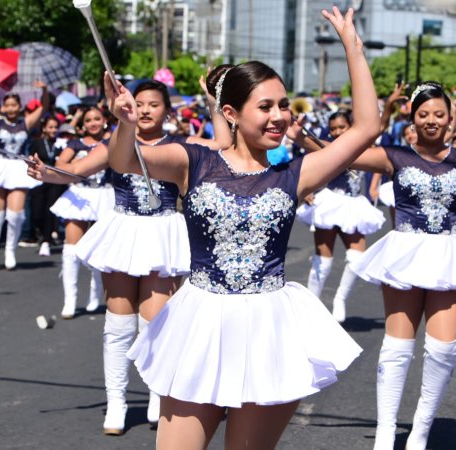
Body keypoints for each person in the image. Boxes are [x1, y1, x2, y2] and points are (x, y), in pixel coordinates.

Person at [106, 7, 375, 449]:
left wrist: (353, 47)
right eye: (265, 106)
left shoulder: (295, 173)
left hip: (268, 329)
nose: (279, 116)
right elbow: (124, 160)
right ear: (230, 112)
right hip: (200, 326)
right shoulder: (194, 160)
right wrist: (124, 122)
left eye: (284, 105)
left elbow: (367, 127)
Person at [28, 77, 230, 435]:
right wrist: (46, 173)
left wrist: (213, 103)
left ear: (167, 110)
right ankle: (117, 403)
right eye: (141, 103)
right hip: (124, 231)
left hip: (164, 233)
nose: (148, 109)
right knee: (118, 325)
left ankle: (156, 394)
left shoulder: (181, 145)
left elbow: (224, 145)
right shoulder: (116, 143)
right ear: (130, 107)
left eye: (155, 103)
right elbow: (75, 171)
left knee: (155, 324)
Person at [349, 81, 456, 449]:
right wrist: (303, 139)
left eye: (439, 115)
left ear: (451, 119)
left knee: (443, 348)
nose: (431, 120)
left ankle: (420, 432)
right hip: (405, 252)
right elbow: (340, 154)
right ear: (412, 118)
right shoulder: (393, 156)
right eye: (423, 114)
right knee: (397, 347)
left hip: (450, 254)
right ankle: (385, 434)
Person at [296, 110, 385, 323]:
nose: (337, 132)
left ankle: (340, 298)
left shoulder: (365, 147)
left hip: (354, 206)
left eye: (341, 127)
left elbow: (380, 129)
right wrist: (306, 188)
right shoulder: (328, 146)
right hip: (331, 203)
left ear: (351, 126)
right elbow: (307, 152)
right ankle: (311, 308)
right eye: (333, 128)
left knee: (357, 258)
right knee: (323, 261)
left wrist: (389, 104)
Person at [49, 108, 114, 318]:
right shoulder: (76, 143)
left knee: (99, 249)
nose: (93, 123)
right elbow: (60, 164)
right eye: (88, 120)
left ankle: (95, 294)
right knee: (71, 249)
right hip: (80, 196)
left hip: (105, 195)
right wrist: (81, 167)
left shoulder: (113, 140)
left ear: (105, 120)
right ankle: (70, 299)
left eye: (97, 118)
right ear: (82, 124)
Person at [0, 83, 48, 271]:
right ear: (2, 107)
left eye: (14, 105)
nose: (10, 109)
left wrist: (45, 91)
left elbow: (44, 108)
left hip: (17, 167)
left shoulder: (26, 122)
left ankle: (10, 250)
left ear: (19, 106)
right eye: (7, 105)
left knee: (15, 214)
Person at [27, 116, 66, 257]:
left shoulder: (61, 143)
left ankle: (46, 241)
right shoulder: (37, 143)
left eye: (56, 127)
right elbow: (30, 158)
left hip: (54, 182)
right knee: (37, 213)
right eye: (51, 127)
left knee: (49, 211)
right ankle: (40, 233)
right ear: (44, 128)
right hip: (38, 181)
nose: (53, 130)